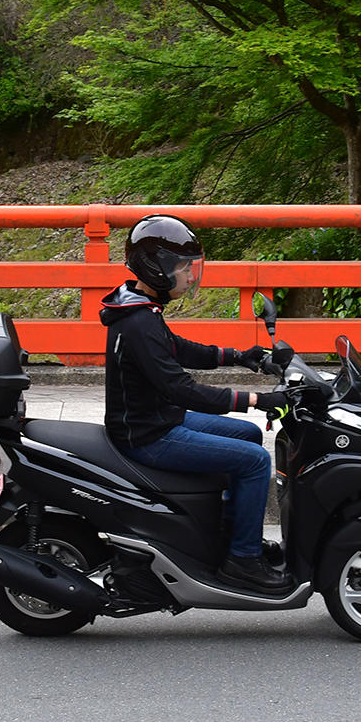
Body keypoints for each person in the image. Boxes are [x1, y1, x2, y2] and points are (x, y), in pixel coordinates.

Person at [100, 214, 294, 595]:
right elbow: (181, 389)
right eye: (184, 268)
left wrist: (241, 356)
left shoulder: (141, 310)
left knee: (250, 436)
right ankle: (243, 561)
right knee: (255, 461)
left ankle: (233, 536)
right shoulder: (138, 322)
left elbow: (178, 349)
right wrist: (256, 399)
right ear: (156, 269)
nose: (190, 276)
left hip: (158, 419)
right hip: (148, 434)